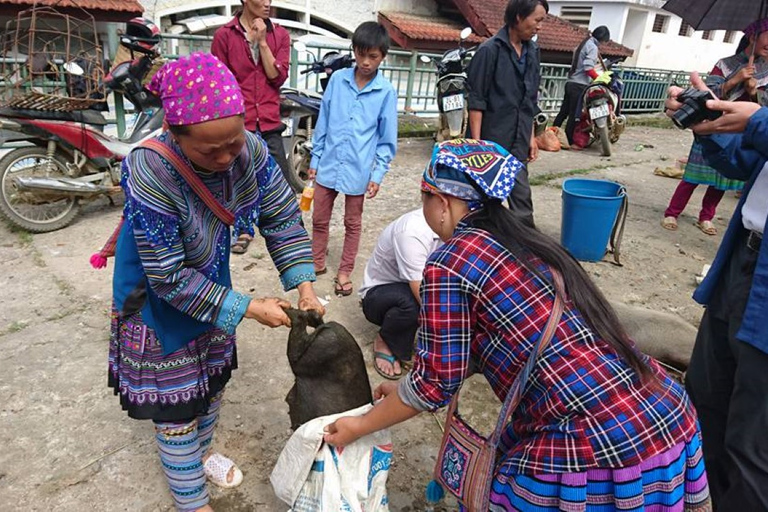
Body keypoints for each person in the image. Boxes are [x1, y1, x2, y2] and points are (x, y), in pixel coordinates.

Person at [324, 138, 709, 511]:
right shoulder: (533, 244)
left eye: (424, 198)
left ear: (441, 203)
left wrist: (358, 426)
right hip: (667, 413)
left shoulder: (449, 261)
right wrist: (404, 389)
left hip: (592, 443)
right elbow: (488, 344)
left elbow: (434, 384)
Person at [99, 53, 324, 512]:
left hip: (207, 275)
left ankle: (200, 456)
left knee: (211, 380)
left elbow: (281, 214)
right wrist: (245, 307)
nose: (225, 158)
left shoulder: (252, 150)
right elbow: (167, 275)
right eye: (209, 150)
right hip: (155, 292)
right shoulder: (149, 168)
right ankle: (191, 500)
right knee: (175, 406)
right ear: (175, 134)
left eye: (233, 143)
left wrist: (304, 285)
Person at [665, 63, 768, 509]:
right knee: (705, 399)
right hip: (743, 259)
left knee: (753, 441)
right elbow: (745, 163)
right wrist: (708, 126)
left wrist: (759, 121)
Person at [307, 21, 398, 297]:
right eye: (361, 54)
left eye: (373, 56)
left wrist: (377, 175)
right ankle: (317, 261)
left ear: (383, 56)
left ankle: (345, 270)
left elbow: (386, 140)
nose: (366, 62)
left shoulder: (385, 92)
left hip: (358, 171)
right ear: (354, 51)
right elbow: (322, 123)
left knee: (352, 223)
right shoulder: (337, 80)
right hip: (328, 165)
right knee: (319, 218)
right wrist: (315, 160)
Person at [661, 33, 764, 235]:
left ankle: (706, 216)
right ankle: (672, 212)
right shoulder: (725, 64)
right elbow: (709, 92)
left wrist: (754, 92)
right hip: (712, 124)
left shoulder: (765, 71)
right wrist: (735, 79)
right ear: (753, 37)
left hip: (742, 132)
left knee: (723, 178)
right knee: (693, 173)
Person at [211, 0, 292, 255]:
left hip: (268, 118)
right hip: (239, 121)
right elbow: (219, 81)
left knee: (280, 177)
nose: (267, 3)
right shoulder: (225, 36)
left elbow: (277, 77)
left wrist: (263, 42)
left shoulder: (280, 35)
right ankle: (244, 229)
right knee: (238, 176)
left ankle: (287, 227)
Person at [466, 0, 548, 227]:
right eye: (537, 20)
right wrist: (477, 145)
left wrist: (531, 136)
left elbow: (530, 99)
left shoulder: (532, 52)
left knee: (522, 206)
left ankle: (525, 254)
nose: (539, 27)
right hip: (491, 142)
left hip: (519, 141)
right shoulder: (489, 50)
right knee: (483, 203)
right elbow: (476, 100)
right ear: (519, 17)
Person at [359, 208, 442, 379]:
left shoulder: (461, 226)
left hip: (413, 286)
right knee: (415, 303)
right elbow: (420, 290)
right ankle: (386, 340)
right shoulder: (412, 231)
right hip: (379, 295)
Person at [553, 25, 611, 148]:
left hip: (570, 82)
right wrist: (599, 79)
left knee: (563, 112)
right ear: (603, 39)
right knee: (575, 115)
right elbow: (588, 68)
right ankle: (569, 140)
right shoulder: (592, 47)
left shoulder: (583, 44)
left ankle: (552, 134)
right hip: (579, 85)